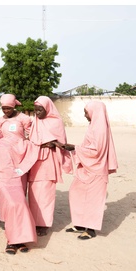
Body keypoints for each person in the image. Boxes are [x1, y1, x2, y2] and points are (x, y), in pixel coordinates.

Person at [57, 100, 118, 240]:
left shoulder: (100, 127)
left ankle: (91, 229)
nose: (85, 115)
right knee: (75, 191)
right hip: (86, 167)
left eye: (86, 112)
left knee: (93, 199)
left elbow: (97, 150)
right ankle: (79, 224)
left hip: (96, 168)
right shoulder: (93, 125)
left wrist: (75, 148)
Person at [28, 96, 72, 237]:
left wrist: (52, 143)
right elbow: (31, 139)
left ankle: (43, 224)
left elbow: (61, 142)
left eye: (40, 110)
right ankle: (33, 221)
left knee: (46, 193)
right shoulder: (35, 121)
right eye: (35, 110)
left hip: (49, 161)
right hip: (35, 160)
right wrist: (44, 142)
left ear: (47, 108)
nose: (38, 113)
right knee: (34, 192)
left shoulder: (56, 122)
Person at [0, 94, 32, 196]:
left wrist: (24, 145)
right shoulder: (0, 121)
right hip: (6, 155)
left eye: (9, 108)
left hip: (20, 154)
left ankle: (21, 205)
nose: (6, 111)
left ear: (13, 106)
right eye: (4, 109)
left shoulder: (23, 118)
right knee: (8, 181)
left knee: (20, 178)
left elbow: (31, 135)